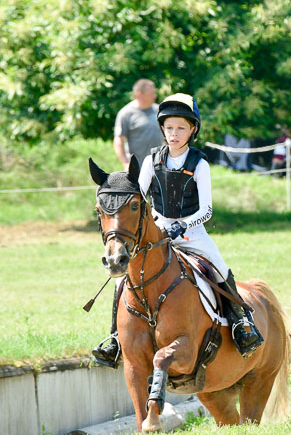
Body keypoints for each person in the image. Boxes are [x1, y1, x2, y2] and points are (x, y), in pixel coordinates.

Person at [92, 93, 263, 367]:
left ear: (193, 129)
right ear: (162, 128)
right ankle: (114, 338)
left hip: (192, 232)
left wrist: (182, 225)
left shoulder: (200, 164)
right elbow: (141, 196)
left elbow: (207, 210)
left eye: (181, 128)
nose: (174, 134)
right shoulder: (151, 161)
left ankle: (241, 324)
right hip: (158, 230)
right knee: (120, 280)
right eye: (169, 127)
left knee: (220, 268)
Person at [113, 79, 162, 170]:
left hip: (159, 167)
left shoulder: (159, 111)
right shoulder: (126, 113)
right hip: (137, 168)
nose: (155, 96)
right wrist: (125, 163)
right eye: (151, 93)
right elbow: (118, 140)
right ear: (139, 94)